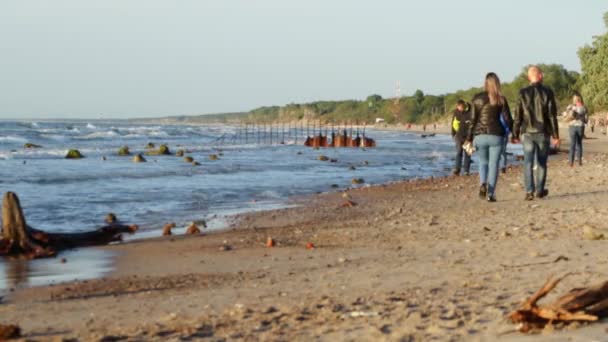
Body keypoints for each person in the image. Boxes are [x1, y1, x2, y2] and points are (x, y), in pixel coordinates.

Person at [512, 66, 559, 201]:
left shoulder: (522, 93)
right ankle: (539, 190)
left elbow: (517, 115)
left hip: (527, 132)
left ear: (529, 77)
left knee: (528, 162)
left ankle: (529, 191)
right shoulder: (547, 92)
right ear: (540, 76)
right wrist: (555, 136)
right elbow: (552, 115)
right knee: (542, 162)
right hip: (543, 132)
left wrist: (515, 134)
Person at [466, 73, 512, 202]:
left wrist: (469, 138)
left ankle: (482, 184)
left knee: (483, 162)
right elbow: (508, 119)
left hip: (480, 136)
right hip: (496, 136)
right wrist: (515, 133)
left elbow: (473, 120)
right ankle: (491, 194)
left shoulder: (477, 98)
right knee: (494, 165)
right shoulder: (500, 99)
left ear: (485, 83)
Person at [562, 94, 588, 166]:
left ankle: (571, 162)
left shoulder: (570, 106)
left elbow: (565, 115)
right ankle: (579, 161)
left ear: (574, 99)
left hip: (572, 126)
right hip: (580, 126)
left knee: (572, 144)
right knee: (579, 144)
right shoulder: (584, 107)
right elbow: (586, 120)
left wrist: (566, 117)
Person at [451, 100, 472, 176]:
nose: (460, 108)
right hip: (458, 136)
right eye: (458, 106)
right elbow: (453, 123)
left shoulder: (469, 112)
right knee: (459, 152)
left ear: (464, 106)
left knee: (467, 154)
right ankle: (457, 169)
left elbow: (472, 123)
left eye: (461, 106)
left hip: (468, 136)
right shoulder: (456, 113)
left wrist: (471, 136)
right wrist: (453, 134)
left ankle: (466, 170)